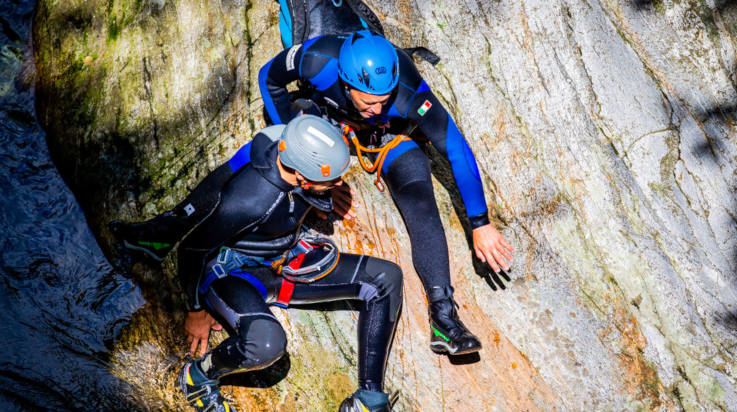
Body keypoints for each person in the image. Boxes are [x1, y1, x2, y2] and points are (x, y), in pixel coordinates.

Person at [114, 116, 402, 412]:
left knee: (386, 278)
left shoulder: (290, 142)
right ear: (301, 175)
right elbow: (191, 250)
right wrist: (196, 310)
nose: (340, 183)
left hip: (284, 256)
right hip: (233, 274)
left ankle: (368, 399)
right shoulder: (248, 201)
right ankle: (197, 378)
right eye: (332, 179)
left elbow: (303, 112)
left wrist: (327, 186)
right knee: (266, 344)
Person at [256, 30, 513, 355]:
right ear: (346, 84)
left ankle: (444, 317)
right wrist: (300, 151)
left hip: (387, 137)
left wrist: (480, 223)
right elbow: (269, 78)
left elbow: (455, 148)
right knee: (300, 130)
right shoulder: (317, 59)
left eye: (384, 100)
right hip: (327, 123)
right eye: (369, 101)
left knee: (420, 195)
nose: (378, 107)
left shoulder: (408, 90)